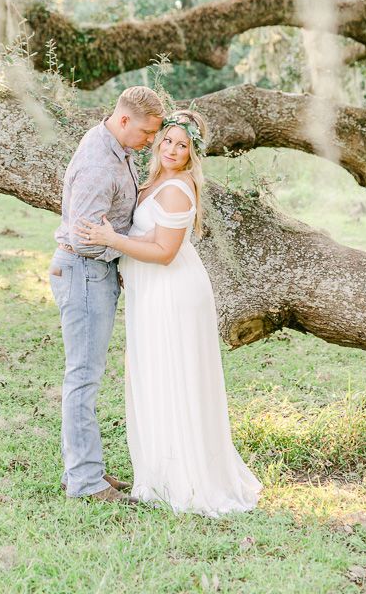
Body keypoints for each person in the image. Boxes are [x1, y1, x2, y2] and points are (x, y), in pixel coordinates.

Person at [77, 109, 262, 516]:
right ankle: (160, 471)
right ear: (158, 141)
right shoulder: (154, 181)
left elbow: (163, 252)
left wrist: (111, 239)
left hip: (172, 293)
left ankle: (187, 479)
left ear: (192, 152)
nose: (173, 149)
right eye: (168, 140)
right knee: (155, 377)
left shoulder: (178, 189)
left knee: (173, 378)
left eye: (183, 145)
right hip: (152, 294)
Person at [49, 86, 165, 502]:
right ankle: (84, 482)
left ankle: (82, 470)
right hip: (84, 272)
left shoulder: (115, 145)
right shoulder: (101, 161)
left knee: (87, 376)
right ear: (123, 121)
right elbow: (85, 238)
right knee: (83, 378)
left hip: (94, 273)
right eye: (147, 132)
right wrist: (124, 252)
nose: (151, 140)